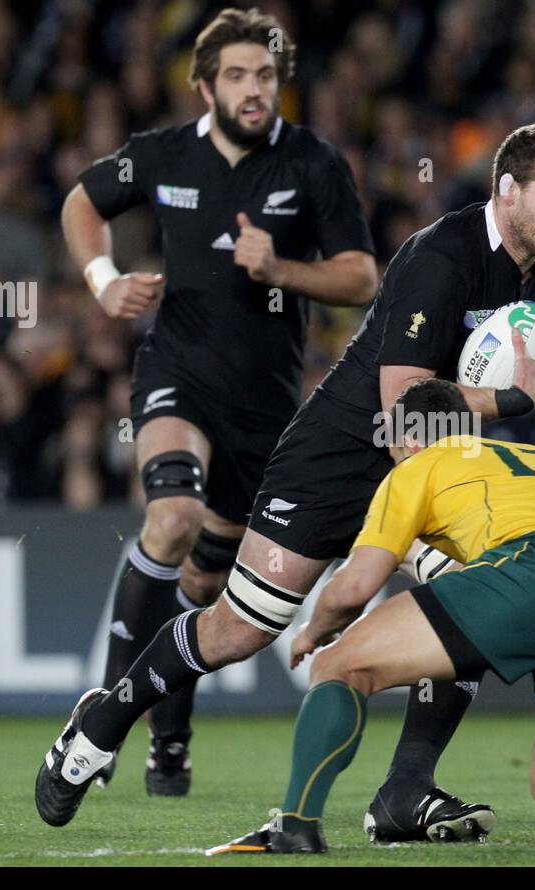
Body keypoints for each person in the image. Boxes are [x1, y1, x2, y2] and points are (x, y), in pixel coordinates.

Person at [36, 123, 535, 839]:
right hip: (338, 460)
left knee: (466, 603)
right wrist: (516, 402)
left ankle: (406, 791)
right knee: (238, 630)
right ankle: (102, 721)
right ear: (508, 191)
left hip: (437, 468)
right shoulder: (441, 258)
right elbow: (405, 412)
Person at [60, 7, 376, 795]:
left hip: (265, 404)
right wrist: (103, 284)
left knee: (205, 585)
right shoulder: (162, 153)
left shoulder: (312, 163)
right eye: (236, 75)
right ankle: (99, 714)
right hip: (176, 367)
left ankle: (170, 735)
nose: (253, 88)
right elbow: (81, 204)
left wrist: (280, 271)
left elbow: (361, 278)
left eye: (265, 75)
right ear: (205, 85)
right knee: (169, 517)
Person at [202, 378, 535, 855]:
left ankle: (295, 829)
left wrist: (316, 630)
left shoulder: (417, 467)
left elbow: (356, 584)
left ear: (407, 439)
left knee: (338, 668)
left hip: (522, 570)